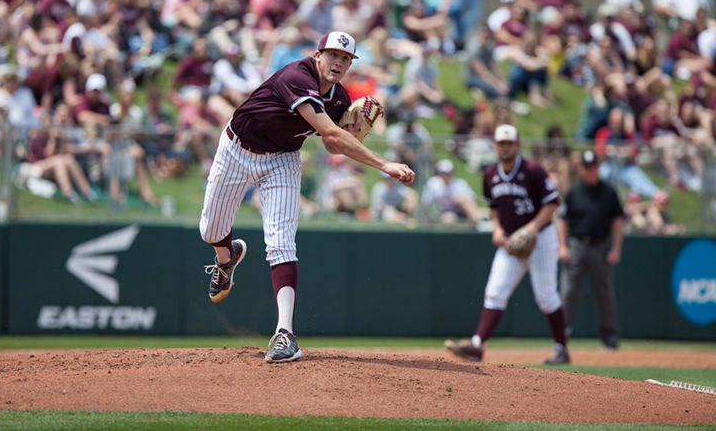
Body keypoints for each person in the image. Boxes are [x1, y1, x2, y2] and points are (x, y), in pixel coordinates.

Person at [199, 31, 415, 363]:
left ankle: (285, 334)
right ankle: (227, 258)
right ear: (318, 56)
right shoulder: (297, 77)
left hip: (282, 159)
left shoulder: (340, 98)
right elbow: (330, 133)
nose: (338, 63)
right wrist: (383, 163)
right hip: (237, 150)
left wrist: (351, 132)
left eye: (345, 59)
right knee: (210, 231)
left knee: (281, 242)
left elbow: (331, 143)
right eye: (332, 55)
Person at [445, 124, 570, 365]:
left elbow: (552, 203)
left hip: (541, 237)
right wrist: (498, 228)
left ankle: (561, 348)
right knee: (495, 292)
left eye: (509, 143)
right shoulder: (490, 173)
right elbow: (493, 207)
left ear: (518, 145)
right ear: (494, 146)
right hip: (511, 242)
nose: (505, 147)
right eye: (501, 143)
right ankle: (478, 345)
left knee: (546, 295)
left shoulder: (533, 170)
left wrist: (531, 229)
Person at [556, 150, 625, 349]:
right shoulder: (573, 192)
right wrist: (562, 246)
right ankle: (562, 338)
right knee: (568, 293)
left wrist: (616, 248)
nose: (589, 171)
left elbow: (618, 221)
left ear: (598, 167)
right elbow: (562, 220)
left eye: (593, 166)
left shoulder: (608, 192)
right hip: (576, 245)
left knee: (605, 294)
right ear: (581, 169)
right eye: (586, 167)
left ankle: (610, 338)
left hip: (600, 246)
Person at [421, 159, 483, 225]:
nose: (445, 175)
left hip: (462, 211)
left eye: (448, 173)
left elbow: (471, 199)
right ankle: (478, 220)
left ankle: (478, 219)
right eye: (443, 173)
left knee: (462, 199)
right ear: (439, 173)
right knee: (449, 218)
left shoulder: (459, 183)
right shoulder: (433, 184)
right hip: (444, 213)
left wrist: (457, 200)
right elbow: (425, 203)